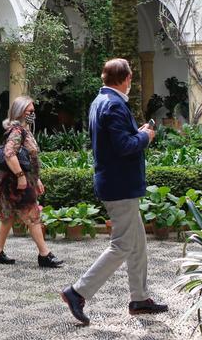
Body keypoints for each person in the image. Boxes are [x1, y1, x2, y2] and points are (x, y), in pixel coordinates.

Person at [61, 59, 167, 325]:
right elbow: (123, 146)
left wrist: (137, 132)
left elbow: (115, 140)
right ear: (127, 78)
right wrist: (146, 137)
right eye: (131, 78)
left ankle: (140, 299)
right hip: (120, 186)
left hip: (115, 182)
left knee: (138, 243)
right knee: (122, 245)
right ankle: (78, 292)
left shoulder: (101, 101)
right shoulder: (114, 104)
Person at [0, 95, 63, 268]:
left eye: (33, 111)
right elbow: (9, 153)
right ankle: (45, 255)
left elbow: (29, 158)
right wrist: (22, 176)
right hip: (16, 184)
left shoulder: (23, 129)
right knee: (33, 216)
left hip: (10, 182)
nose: (33, 114)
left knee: (7, 216)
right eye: (30, 111)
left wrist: (36, 179)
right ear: (20, 112)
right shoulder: (17, 131)